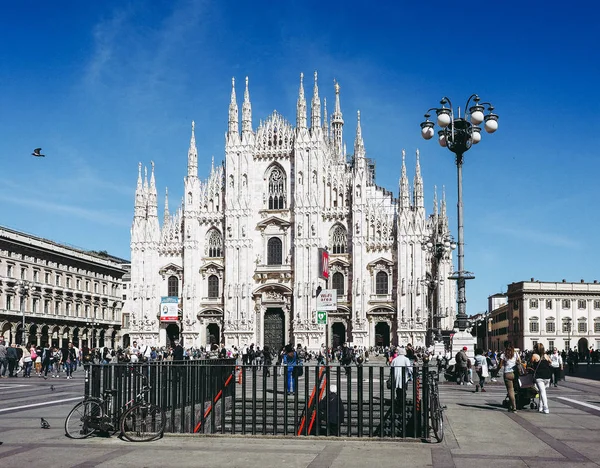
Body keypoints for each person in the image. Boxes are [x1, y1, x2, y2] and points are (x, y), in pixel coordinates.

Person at [498, 342, 520, 413]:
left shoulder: (503, 355)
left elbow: (500, 365)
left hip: (507, 373)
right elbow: (519, 362)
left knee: (510, 390)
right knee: (514, 390)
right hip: (515, 373)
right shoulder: (516, 354)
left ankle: (514, 407)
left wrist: (495, 371)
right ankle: (511, 406)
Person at [531, 347, 551, 414]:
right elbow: (550, 362)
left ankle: (546, 407)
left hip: (539, 375)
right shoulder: (545, 355)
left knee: (542, 391)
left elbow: (530, 363)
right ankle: (540, 407)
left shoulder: (534, 355)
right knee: (541, 391)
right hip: (547, 375)